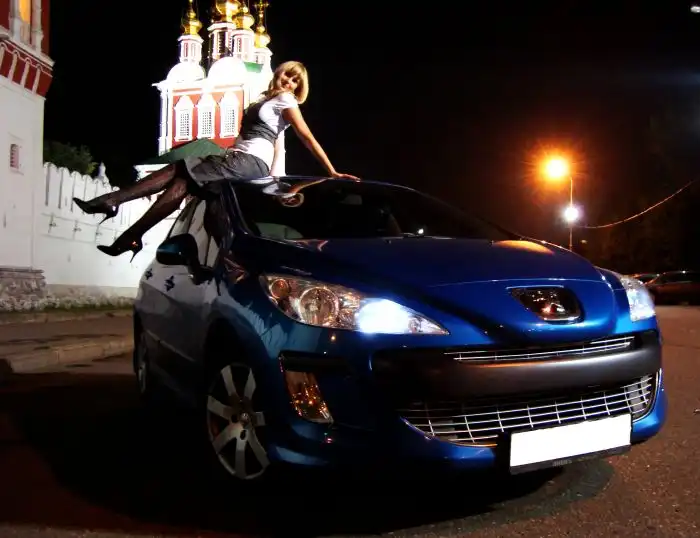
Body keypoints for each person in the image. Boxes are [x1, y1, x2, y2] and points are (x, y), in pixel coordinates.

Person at [73, 60, 360, 260]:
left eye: (295, 80)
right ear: (279, 73)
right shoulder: (265, 100)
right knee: (186, 190)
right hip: (238, 157)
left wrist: (331, 171)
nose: (289, 81)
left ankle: (112, 202)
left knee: (180, 167)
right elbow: (266, 142)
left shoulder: (287, 101)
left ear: (298, 88)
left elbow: (305, 136)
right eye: (288, 74)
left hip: (248, 162)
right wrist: (270, 178)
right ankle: (132, 238)